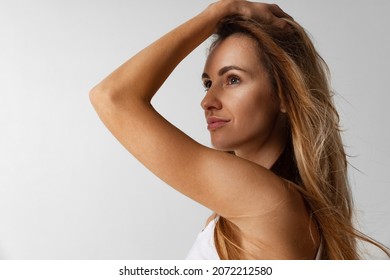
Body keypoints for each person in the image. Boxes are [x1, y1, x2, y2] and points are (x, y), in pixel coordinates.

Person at [90, 0, 389, 259]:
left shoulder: (265, 200)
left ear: (284, 94)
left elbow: (113, 97)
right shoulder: (253, 207)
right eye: (208, 83)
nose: (208, 101)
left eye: (232, 79)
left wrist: (221, 10)